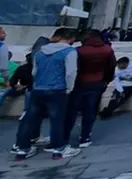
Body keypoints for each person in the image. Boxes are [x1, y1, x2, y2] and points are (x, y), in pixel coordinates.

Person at [14, 28, 80, 160]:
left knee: (29, 119)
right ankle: (58, 149)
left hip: (38, 89)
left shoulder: (39, 52)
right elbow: (71, 73)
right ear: (69, 38)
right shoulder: (69, 52)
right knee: (57, 120)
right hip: (57, 90)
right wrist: (69, 88)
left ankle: (22, 150)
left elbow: (34, 72)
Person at [64, 29, 116, 148]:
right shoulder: (107, 50)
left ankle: (64, 137)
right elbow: (111, 67)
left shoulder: (79, 51)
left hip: (79, 83)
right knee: (90, 110)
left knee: (71, 111)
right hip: (97, 83)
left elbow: (72, 68)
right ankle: (85, 137)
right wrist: (105, 81)